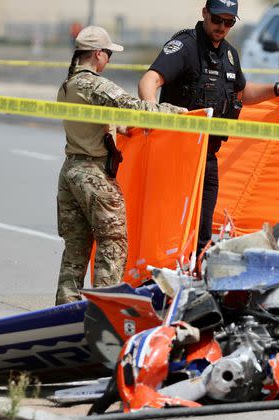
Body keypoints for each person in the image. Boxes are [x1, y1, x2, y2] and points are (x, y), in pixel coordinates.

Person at [138, 0, 279, 254]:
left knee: (202, 235)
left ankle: (193, 281)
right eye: (217, 20)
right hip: (176, 155)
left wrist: (277, 89)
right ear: (205, 13)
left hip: (207, 156)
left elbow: (241, 93)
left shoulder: (229, 54)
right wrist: (152, 115)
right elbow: (150, 79)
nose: (222, 27)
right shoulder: (185, 46)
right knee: (170, 230)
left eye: (228, 22)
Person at [55, 26, 187, 305]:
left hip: (70, 173)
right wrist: (178, 113)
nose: (109, 60)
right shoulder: (94, 84)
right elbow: (134, 105)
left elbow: (98, 121)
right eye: (109, 55)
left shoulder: (67, 85)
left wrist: (119, 129)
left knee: (75, 250)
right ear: (98, 54)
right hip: (93, 176)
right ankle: (104, 310)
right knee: (112, 244)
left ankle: (64, 312)